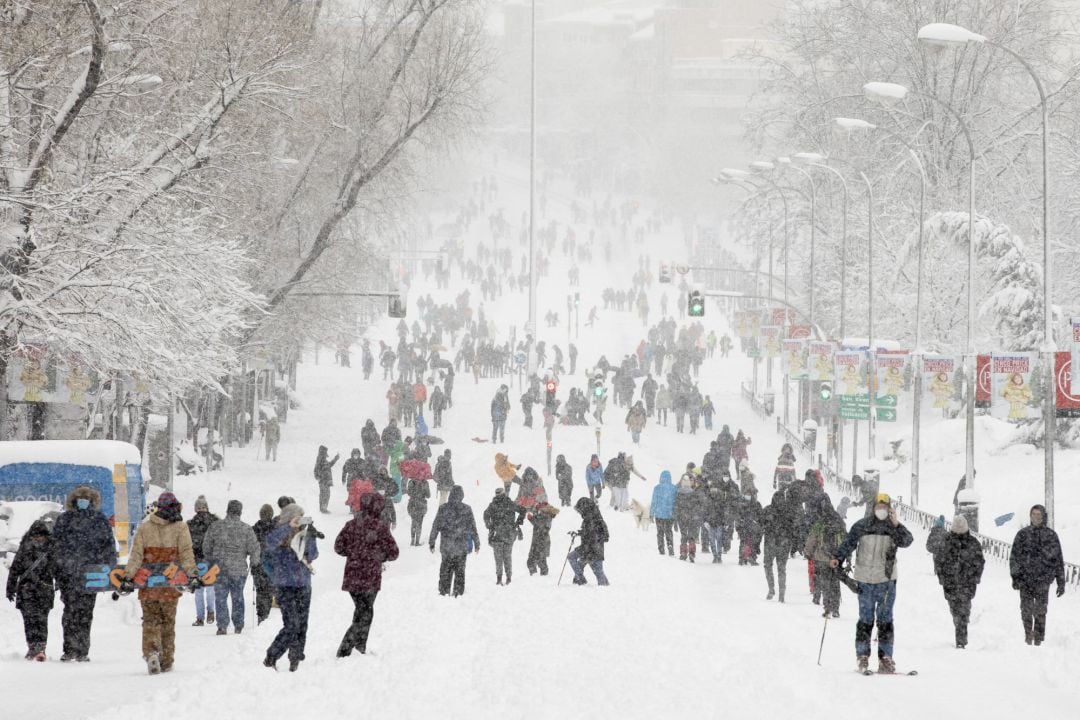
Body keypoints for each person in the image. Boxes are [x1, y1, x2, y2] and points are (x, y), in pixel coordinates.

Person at [830, 493, 914, 674]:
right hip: (865, 580)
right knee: (866, 620)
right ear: (874, 507)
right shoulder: (862, 526)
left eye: (885, 507)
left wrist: (897, 524)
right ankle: (862, 656)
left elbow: (907, 540)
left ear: (889, 508)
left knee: (885, 621)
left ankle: (885, 657)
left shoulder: (894, 528)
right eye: (879, 506)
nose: (881, 510)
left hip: (887, 581)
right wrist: (838, 557)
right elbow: (848, 543)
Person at [123, 491, 198, 674]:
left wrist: (127, 576)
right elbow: (187, 553)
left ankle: (151, 652)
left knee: (150, 620)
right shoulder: (180, 527)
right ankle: (166, 660)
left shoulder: (145, 528)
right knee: (168, 622)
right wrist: (192, 574)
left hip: (148, 582)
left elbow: (136, 556)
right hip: (171, 584)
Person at [51, 485, 116, 662]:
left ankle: (82, 649)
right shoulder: (64, 520)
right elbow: (55, 546)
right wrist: (59, 566)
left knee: (86, 612)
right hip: (68, 574)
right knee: (70, 611)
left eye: (86, 499)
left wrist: (109, 567)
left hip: (91, 574)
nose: (83, 501)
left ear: (92, 501)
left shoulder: (99, 520)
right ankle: (69, 648)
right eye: (80, 498)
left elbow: (108, 546)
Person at [334, 492, 399, 657]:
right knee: (366, 612)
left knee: (361, 610)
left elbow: (338, 547)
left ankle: (358, 647)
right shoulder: (381, 527)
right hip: (370, 577)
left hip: (353, 575)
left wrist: (354, 553)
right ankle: (346, 649)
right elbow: (394, 552)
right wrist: (378, 556)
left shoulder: (352, 525)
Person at [263, 504, 318, 672]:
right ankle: (272, 655)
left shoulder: (305, 532)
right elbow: (269, 544)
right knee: (291, 624)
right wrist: (288, 527)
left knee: (302, 624)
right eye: (297, 516)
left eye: (302, 516)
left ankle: (295, 657)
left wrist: (310, 538)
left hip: (303, 584)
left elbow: (313, 555)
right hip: (284, 585)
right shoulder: (278, 532)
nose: (299, 519)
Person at [1009, 504, 1065, 646]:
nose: (1036, 517)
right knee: (1026, 610)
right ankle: (1028, 633)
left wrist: (1061, 581)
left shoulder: (1051, 536)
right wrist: (1015, 577)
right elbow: (1014, 557)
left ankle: (1039, 637)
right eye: (1033, 514)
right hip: (1025, 580)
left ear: (1043, 516)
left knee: (1040, 610)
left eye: (1039, 515)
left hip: (1043, 580)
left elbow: (1058, 559)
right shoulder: (1022, 534)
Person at [203, 500, 261, 635]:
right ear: (240, 512)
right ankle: (238, 624)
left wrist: (212, 559)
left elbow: (206, 546)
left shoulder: (216, 527)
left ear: (227, 510)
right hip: (238, 569)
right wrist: (254, 562)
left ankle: (222, 625)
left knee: (220, 597)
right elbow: (254, 548)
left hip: (220, 568)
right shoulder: (246, 529)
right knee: (238, 596)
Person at [5, 520, 56, 661]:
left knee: (41, 620)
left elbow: (57, 569)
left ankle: (40, 648)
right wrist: (10, 588)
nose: (38, 538)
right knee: (29, 620)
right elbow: (14, 570)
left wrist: (60, 584)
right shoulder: (24, 549)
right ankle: (33, 646)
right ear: (30, 536)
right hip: (26, 590)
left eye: (41, 536)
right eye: (35, 535)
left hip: (44, 590)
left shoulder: (51, 551)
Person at [933, 515, 985, 648]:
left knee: (964, 610)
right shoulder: (946, 542)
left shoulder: (973, 543)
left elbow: (979, 562)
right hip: (950, 583)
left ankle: (961, 638)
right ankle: (960, 629)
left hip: (967, 583)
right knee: (955, 609)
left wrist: (975, 577)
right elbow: (939, 561)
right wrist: (942, 578)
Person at [428, 486, 482, 597]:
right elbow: (472, 527)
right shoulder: (467, 509)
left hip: (447, 546)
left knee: (445, 570)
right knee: (460, 572)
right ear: (462, 496)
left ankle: (444, 591)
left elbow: (436, 526)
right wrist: (476, 543)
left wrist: (432, 542)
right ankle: (458, 593)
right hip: (461, 547)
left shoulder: (443, 508)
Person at [804, 496, 847, 618]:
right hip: (837, 558)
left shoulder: (820, 522)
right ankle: (836, 608)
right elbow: (846, 539)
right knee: (835, 582)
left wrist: (808, 552)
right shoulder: (839, 521)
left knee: (825, 583)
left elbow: (812, 539)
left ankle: (827, 608)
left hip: (822, 558)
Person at [187, 496, 219, 627]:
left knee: (198, 588)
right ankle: (210, 612)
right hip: (211, 559)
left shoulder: (190, 524)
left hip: (197, 559)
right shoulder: (215, 521)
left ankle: (200, 617)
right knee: (210, 587)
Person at [483, 488, 525, 585]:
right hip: (509, 534)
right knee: (507, 557)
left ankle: (499, 578)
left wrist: (489, 525)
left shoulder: (493, 505)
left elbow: (485, 515)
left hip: (497, 535)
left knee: (498, 558)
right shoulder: (510, 503)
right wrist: (518, 522)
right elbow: (523, 510)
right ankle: (508, 578)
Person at [761, 490, 797, 602]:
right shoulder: (789, 511)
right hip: (783, 544)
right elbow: (793, 529)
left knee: (768, 566)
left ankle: (772, 589)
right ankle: (781, 594)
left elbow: (761, 525)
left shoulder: (767, 510)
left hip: (771, 543)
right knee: (781, 569)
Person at [568, 498, 609, 585]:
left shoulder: (593, 520)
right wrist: (578, 533)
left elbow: (594, 536)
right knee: (598, 571)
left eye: (580, 510)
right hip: (591, 549)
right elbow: (589, 533)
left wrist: (588, 551)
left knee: (598, 571)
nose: (580, 513)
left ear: (585, 508)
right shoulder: (592, 517)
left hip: (592, 550)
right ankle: (580, 578)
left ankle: (581, 579)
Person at [251, 504, 276, 625]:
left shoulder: (254, 529)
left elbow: (250, 547)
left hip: (258, 565)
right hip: (272, 566)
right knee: (269, 591)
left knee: (260, 591)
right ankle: (267, 615)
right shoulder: (276, 528)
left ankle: (261, 615)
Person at [674, 474, 705, 562]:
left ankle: (683, 553)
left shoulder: (678, 493)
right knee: (691, 537)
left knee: (683, 536)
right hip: (692, 518)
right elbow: (697, 507)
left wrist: (676, 519)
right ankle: (692, 553)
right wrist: (697, 517)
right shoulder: (694, 493)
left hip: (682, 518)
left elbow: (676, 507)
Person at [649, 470, 677, 556]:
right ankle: (670, 545)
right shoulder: (674, 488)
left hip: (659, 514)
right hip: (670, 514)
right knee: (669, 531)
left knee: (660, 532)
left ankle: (661, 549)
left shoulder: (657, 488)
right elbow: (676, 502)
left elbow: (654, 501)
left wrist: (651, 513)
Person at [527, 503, 558, 575]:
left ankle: (540, 577)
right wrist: (532, 517)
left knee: (538, 561)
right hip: (539, 541)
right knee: (537, 561)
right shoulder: (544, 516)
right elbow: (538, 523)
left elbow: (539, 524)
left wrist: (531, 518)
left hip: (541, 541)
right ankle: (538, 576)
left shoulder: (546, 516)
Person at [406, 474, 431, 546]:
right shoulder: (413, 482)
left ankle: (414, 540)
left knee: (415, 522)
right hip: (418, 505)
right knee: (418, 523)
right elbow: (428, 495)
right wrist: (419, 486)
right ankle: (415, 541)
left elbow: (428, 495)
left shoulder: (421, 482)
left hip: (415, 505)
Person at [314, 446, 340, 514]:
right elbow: (316, 470)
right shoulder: (320, 460)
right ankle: (323, 508)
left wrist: (335, 459)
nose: (326, 453)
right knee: (324, 494)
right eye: (325, 451)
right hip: (323, 480)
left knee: (326, 494)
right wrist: (319, 477)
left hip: (326, 480)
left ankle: (323, 508)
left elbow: (329, 465)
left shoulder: (323, 460)